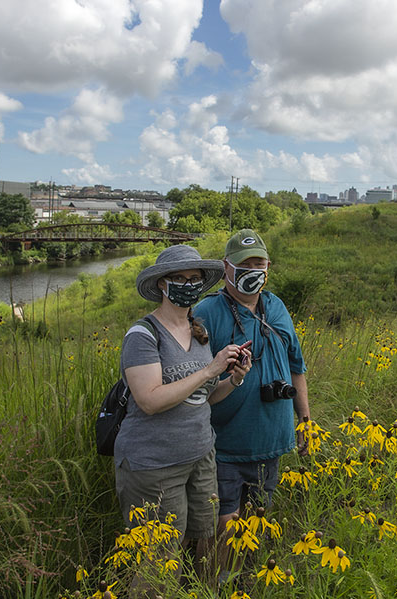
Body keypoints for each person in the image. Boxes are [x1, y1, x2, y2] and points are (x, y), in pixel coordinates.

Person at [114, 244, 251, 576]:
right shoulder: (143, 335)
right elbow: (149, 399)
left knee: (205, 543)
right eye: (179, 278)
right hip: (155, 465)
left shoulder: (199, 329)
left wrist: (232, 379)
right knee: (160, 559)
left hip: (200, 457)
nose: (188, 284)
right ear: (162, 284)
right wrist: (208, 371)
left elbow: (200, 398)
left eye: (195, 278)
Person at [193, 229, 310, 534]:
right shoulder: (207, 312)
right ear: (226, 267)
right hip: (225, 447)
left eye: (260, 264)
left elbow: (297, 368)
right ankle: (217, 581)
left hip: (271, 443)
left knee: (256, 527)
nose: (253, 272)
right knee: (224, 530)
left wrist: (305, 420)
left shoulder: (277, 308)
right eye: (245, 265)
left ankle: (244, 581)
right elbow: (193, 381)